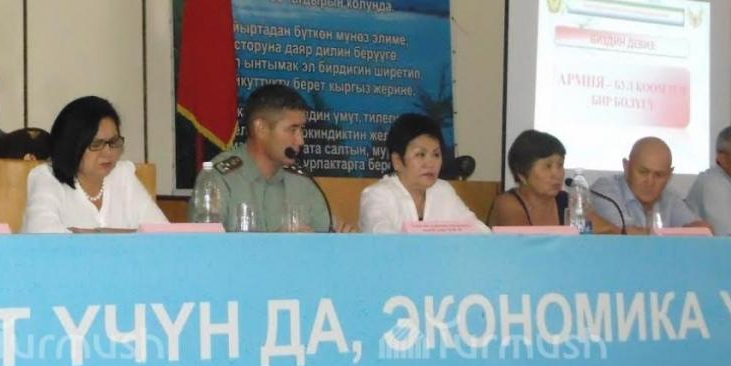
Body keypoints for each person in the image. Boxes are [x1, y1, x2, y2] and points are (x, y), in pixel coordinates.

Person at [189, 83, 331, 232]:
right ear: (261, 128)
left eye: (302, 130)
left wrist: (341, 235)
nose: (300, 140)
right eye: (292, 129)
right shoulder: (219, 179)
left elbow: (325, 236)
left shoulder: (302, 182)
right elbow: (204, 243)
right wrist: (276, 242)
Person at [21, 96, 166, 233]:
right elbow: (44, 238)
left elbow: (163, 235)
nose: (108, 152)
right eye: (96, 144)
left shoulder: (123, 175)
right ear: (71, 146)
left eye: (113, 142)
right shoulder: (46, 178)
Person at [360, 113, 489, 233]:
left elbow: (478, 231)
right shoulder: (378, 195)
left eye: (436, 154)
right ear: (397, 161)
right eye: (420, 154)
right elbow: (382, 236)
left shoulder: (443, 190)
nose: (430, 163)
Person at [590, 137, 710, 234]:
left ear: (669, 175)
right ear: (626, 166)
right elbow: (623, 233)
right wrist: (674, 235)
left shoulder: (669, 197)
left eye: (659, 175)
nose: (650, 181)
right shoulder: (605, 191)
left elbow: (703, 230)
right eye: (643, 172)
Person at [489, 129, 567, 226]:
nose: (557, 174)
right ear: (522, 175)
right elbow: (523, 236)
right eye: (548, 166)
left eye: (560, 165)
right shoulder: (507, 204)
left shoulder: (568, 201)